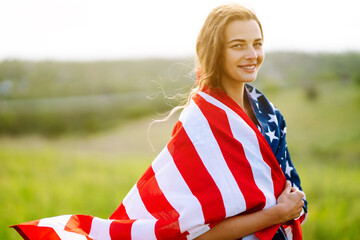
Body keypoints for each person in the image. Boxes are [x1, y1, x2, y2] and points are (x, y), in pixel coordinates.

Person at [11, 4, 307, 240]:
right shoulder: (200, 123)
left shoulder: (269, 113)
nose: (252, 54)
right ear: (216, 50)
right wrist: (275, 215)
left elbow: (288, 191)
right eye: (238, 45)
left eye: (257, 43)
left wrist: (287, 211)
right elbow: (196, 234)